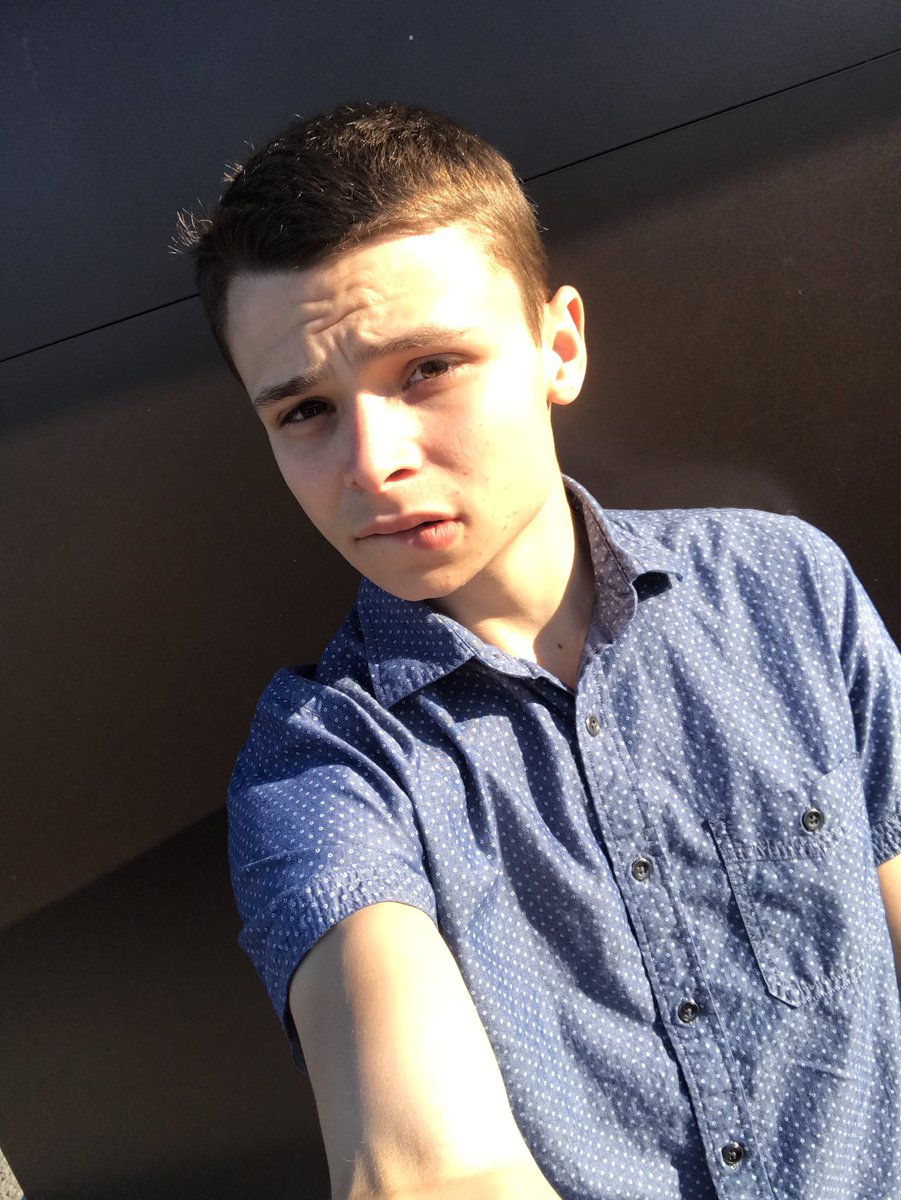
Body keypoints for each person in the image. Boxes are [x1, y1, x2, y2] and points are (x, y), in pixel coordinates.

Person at [180, 103, 901, 1200]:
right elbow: (426, 1171)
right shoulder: (322, 762)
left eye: (427, 367)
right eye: (306, 411)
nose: (372, 462)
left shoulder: (782, 586)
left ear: (556, 348)